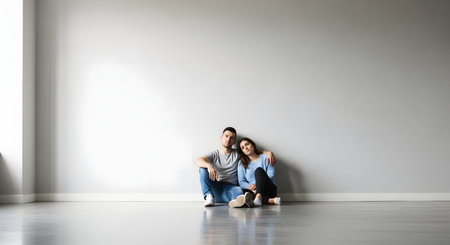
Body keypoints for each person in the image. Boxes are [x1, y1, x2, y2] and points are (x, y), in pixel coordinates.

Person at [195, 127, 276, 208]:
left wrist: (269, 152)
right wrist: (209, 165)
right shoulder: (214, 154)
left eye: (231, 138)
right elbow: (197, 161)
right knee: (202, 169)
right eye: (226, 136)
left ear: (234, 141)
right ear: (221, 137)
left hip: (231, 188)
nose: (228, 139)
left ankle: (238, 201)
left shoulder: (238, 153)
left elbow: (252, 152)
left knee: (239, 192)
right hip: (216, 186)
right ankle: (208, 196)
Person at [238, 137, 281, 206]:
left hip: (268, 189)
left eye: (247, 144)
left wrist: (257, 186)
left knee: (259, 170)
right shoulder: (241, 163)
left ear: (253, 145)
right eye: (242, 147)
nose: (245, 148)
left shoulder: (266, 157)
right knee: (244, 194)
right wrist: (250, 187)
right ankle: (270, 200)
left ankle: (258, 197)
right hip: (253, 190)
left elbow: (271, 175)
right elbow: (241, 182)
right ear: (242, 151)